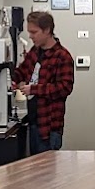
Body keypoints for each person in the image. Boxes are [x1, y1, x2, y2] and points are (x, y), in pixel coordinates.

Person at [13, 10, 75, 155]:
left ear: (47, 30)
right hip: (33, 122)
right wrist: (12, 79)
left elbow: (64, 88)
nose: (30, 36)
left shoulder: (63, 56)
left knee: (47, 168)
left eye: (34, 32)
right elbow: (22, 70)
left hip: (49, 127)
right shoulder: (35, 52)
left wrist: (34, 89)